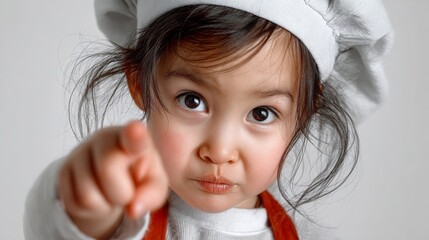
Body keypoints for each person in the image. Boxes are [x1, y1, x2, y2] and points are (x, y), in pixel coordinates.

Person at [23, 0, 393, 239]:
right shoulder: (124, 220)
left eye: (261, 114)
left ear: (305, 112)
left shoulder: (298, 234)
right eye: (192, 100)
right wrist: (87, 196)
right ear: (140, 84)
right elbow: (65, 226)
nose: (220, 150)